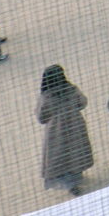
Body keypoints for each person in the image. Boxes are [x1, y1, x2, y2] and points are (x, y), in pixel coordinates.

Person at [36, 63, 93, 194]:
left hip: (55, 131)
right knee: (76, 151)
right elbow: (82, 102)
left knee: (59, 156)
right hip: (76, 124)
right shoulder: (72, 89)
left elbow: (41, 117)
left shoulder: (46, 97)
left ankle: (69, 184)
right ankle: (77, 177)